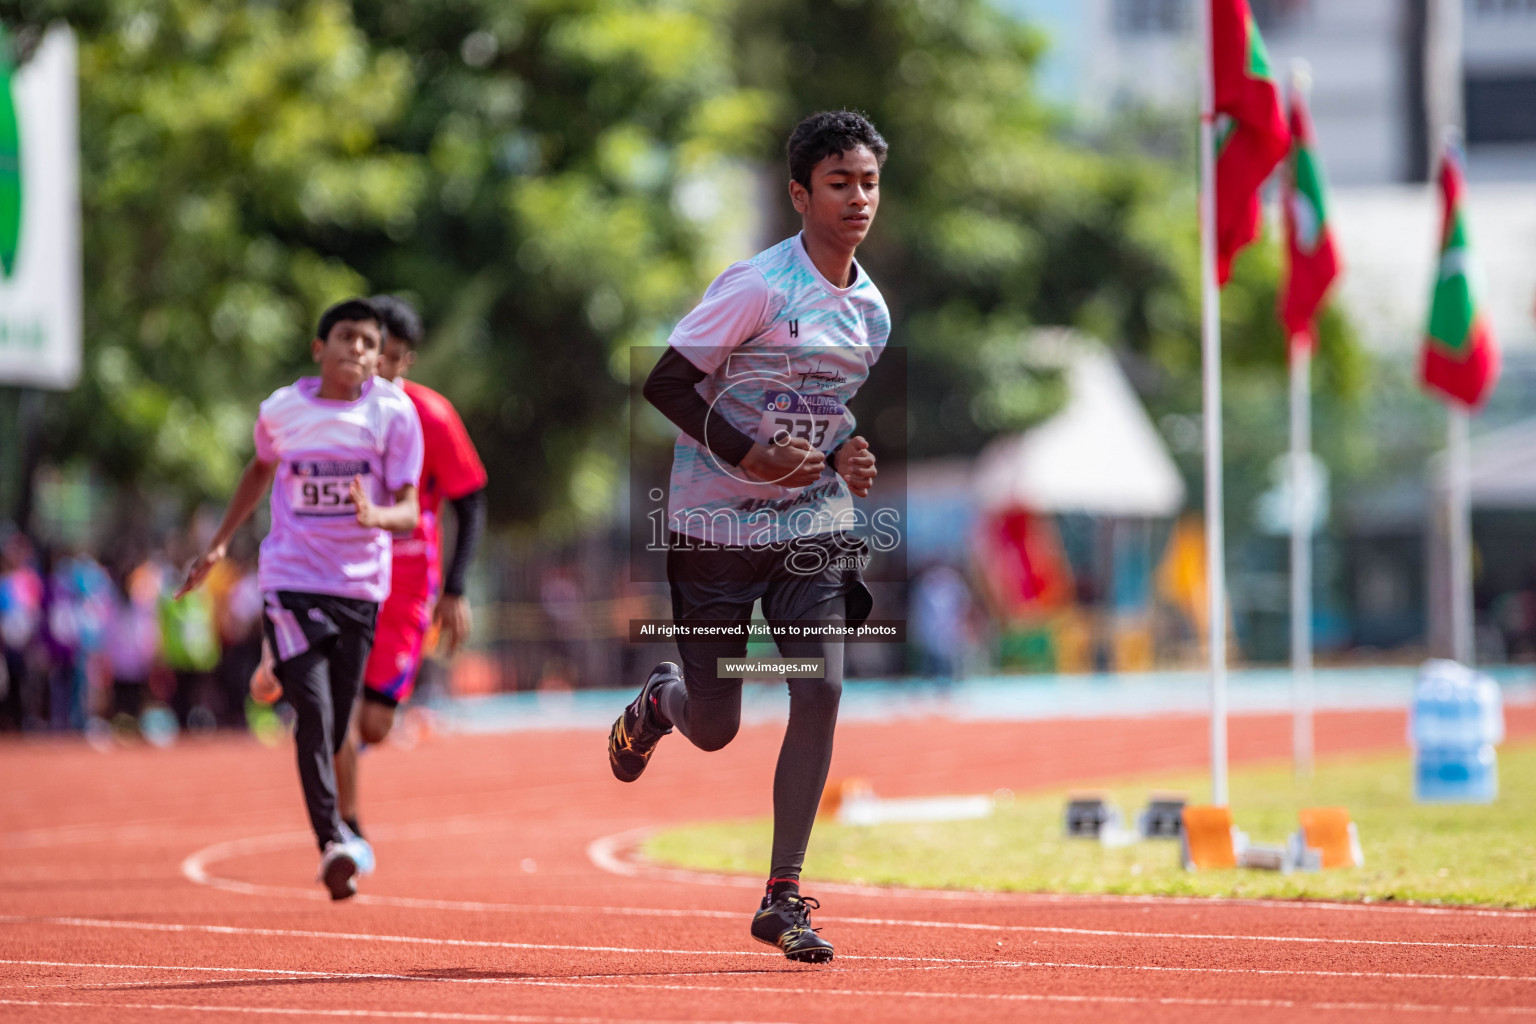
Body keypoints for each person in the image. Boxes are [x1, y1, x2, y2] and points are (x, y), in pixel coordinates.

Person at [607, 110, 889, 963]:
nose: (858, 198)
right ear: (799, 193)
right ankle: (662, 702)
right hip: (713, 528)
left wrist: (847, 453)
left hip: (810, 525)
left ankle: (783, 895)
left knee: (823, 687)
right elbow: (664, 380)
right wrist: (748, 455)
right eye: (840, 183)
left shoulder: (870, 313)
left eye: (869, 182)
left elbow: (823, 408)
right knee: (716, 725)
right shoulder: (757, 287)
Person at [178, 297, 423, 900]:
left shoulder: (394, 414)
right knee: (313, 716)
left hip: (360, 586)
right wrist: (217, 545)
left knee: (337, 723)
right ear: (321, 348)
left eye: (369, 343)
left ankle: (275, 664)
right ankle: (332, 842)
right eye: (346, 338)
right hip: (292, 580)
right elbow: (260, 471)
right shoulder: (282, 411)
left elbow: (411, 510)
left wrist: (377, 512)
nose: (358, 351)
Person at [332, 294, 488, 858]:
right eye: (372, 352)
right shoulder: (334, 412)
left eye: (392, 356)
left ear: (407, 360)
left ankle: (347, 764)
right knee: (337, 705)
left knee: (373, 723)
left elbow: (470, 502)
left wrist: (456, 588)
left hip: (407, 580)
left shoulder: (432, 416)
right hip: (344, 573)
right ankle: (344, 825)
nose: (378, 367)